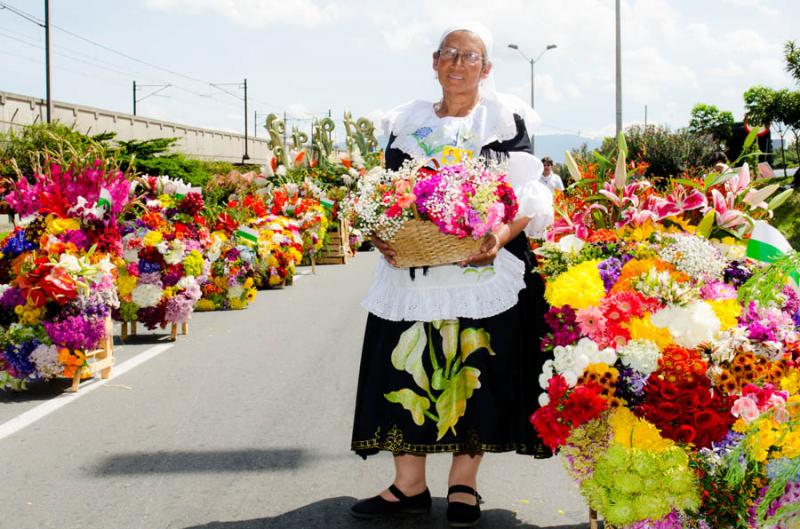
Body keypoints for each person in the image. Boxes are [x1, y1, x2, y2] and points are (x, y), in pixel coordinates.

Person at [350, 22, 553, 528]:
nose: (458, 64)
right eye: (449, 54)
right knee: (403, 366)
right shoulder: (406, 121)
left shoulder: (505, 118)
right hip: (414, 271)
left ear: (486, 69)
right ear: (435, 63)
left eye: (470, 56)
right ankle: (408, 485)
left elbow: (527, 194)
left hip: (483, 269)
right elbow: (384, 193)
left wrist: (498, 239)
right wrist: (380, 232)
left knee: (476, 367)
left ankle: (464, 482)